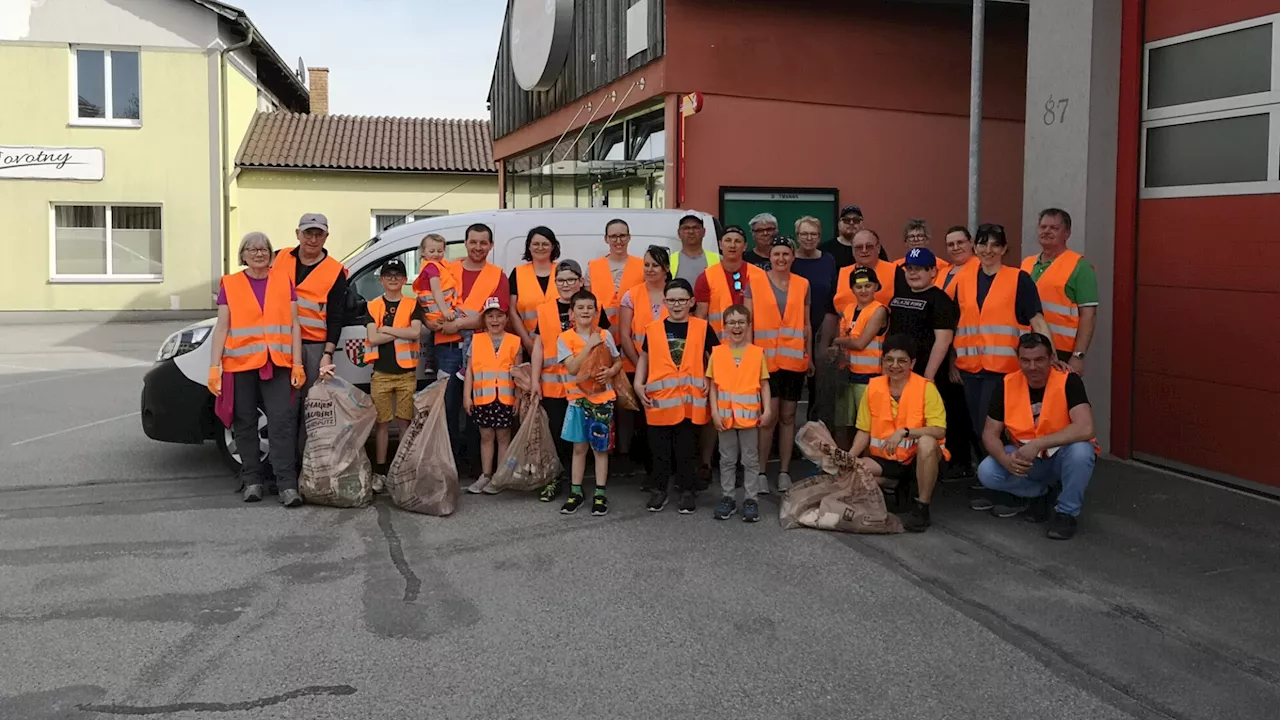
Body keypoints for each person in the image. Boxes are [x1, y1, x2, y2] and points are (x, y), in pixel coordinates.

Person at [207, 232, 305, 507]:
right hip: (240, 365)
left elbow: (294, 324)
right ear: (243, 254)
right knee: (244, 422)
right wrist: (214, 368)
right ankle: (252, 480)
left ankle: (287, 484)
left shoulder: (283, 281)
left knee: (281, 423)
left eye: (263, 249)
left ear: (271, 253)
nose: (258, 253)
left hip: (278, 362)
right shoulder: (231, 283)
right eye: (252, 249)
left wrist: (297, 362)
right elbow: (222, 327)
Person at [952, 223, 1061, 459]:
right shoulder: (963, 279)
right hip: (971, 369)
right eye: (983, 243)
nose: (988, 249)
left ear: (1004, 249)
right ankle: (993, 473)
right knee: (977, 426)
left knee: (994, 428)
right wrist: (953, 360)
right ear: (975, 246)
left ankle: (1003, 473)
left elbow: (1037, 319)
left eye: (995, 244)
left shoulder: (1018, 279)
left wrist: (1051, 355)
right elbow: (956, 322)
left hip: (1004, 370)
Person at [977, 332, 1098, 540]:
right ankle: (1039, 494)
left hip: (1061, 456)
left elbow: (1086, 428)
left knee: (1082, 451)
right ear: (1019, 360)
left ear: (1052, 358)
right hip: (1027, 460)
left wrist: (1037, 444)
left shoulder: (1068, 381)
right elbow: (990, 434)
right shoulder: (1006, 384)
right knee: (987, 471)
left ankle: (1066, 513)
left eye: (1039, 360)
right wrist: (1006, 461)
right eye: (1025, 360)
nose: (1032, 367)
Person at [428, 223, 509, 475]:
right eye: (473, 242)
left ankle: (475, 463)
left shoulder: (498, 275)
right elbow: (428, 302)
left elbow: (496, 315)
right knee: (449, 407)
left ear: (491, 245)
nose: (478, 247)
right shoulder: (447, 269)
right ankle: (452, 463)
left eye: (483, 243)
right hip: (448, 349)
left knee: (479, 407)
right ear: (465, 243)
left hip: (483, 350)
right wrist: (435, 321)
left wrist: (459, 323)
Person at [634, 278, 716, 514]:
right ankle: (659, 490)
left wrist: (710, 381)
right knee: (659, 450)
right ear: (664, 302)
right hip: (660, 401)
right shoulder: (654, 328)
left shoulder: (702, 327)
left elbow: (714, 358)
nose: (677, 304)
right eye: (672, 300)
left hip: (690, 401)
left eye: (681, 300)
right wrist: (638, 384)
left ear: (691, 301)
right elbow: (645, 358)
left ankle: (688, 490)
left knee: (686, 449)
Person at [851, 334, 948, 532]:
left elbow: (939, 430)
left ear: (912, 363)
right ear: (882, 361)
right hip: (886, 460)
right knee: (853, 475)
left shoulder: (926, 388)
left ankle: (922, 508)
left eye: (902, 360)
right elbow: (864, 431)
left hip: (918, 459)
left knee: (927, 442)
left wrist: (905, 433)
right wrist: (848, 458)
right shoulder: (873, 388)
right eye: (889, 360)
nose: (895, 366)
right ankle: (894, 486)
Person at [886, 247, 970, 477]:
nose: (913, 273)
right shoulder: (899, 297)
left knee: (925, 426)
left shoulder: (940, 300)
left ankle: (931, 471)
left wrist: (928, 378)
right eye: (909, 269)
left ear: (933, 271)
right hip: (898, 373)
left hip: (926, 376)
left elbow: (943, 341)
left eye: (920, 269)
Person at [530, 260, 608, 502]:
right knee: (557, 435)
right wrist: (534, 381)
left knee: (584, 438)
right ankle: (555, 479)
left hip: (586, 387)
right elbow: (538, 347)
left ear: (580, 281)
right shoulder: (544, 309)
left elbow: (605, 343)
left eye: (571, 279)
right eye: (561, 280)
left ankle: (583, 482)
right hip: (554, 384)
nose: (566, 284)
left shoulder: (593, 307)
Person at [694, 225, 767, 483]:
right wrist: (702, 355)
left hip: (750, 354)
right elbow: (701, 318)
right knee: (714, 410)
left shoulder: (759, 275)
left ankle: (743, 467)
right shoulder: (707, 276)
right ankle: (705, 463)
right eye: (728, 240)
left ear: (745, 246)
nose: (733, 245)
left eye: (738, 240)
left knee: (747, 410)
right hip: (718, 353)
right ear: (720, 245)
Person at [270, 213, 347, 454]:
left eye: (318, 234)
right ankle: (281, 468)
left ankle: (306, 466)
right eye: (308, 233)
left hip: (313, 347)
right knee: (281, 407)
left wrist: (328, 353)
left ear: (326, 237)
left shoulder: (335, 271)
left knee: (310, 409)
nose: (312, 239)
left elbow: (336, 316)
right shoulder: (279, 258)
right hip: (279, 343)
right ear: (297, 234)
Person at [557, 289, 622, 516]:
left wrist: (610, 372)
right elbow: (573, 368)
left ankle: (600, 493)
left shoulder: (606, 335)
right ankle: (576, 492)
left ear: (596, 311)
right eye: (580, 308)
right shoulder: (564, 339)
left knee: (600, 449)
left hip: (602, 401)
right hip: (578, 401)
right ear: (572, 313)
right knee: (579, 448)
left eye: (590, 308)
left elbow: (617, 360)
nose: (585, 311)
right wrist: (589, 345)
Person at [754, 236, 811, 493]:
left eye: (786, 254)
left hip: (793, 360)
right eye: (776, 254)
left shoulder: (803, 284)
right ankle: (761, 472)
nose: (781, 259)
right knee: (768, 417)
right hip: (765, 361)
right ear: (770, 256)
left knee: (788, 417)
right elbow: (748, 322)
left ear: (793, 257)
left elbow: (807, 323)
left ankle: (785, 471)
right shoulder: (754, 283)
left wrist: (808, 354)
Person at [363, 259, 425, 493]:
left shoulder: (412, 304)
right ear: (381, 280)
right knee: (381, 423)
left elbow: (415, 332)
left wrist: (386, 329)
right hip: (381, 373)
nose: (392, 279)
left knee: (404, 423)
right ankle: (380, 471)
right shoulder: (372, 305)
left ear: (404, 279)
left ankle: (404, 469)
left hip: (406, 374)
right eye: (388, 275)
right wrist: (402, 333)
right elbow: (374, 339)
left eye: (397, 275)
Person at [707, 304, 773, 523]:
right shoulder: (717, 353)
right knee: (726, 460)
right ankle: (728, 497)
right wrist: (714, 412)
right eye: (732, 323)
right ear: (724, 326)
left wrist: (768, 409)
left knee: (750, 459)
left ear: (748, 325)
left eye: (741, 322)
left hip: (749, 417)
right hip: (725, 417)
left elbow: (764, 384)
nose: (737, 327)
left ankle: (750, 499)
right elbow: (713, 387)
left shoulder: (756, 353)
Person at [588, 219, 645, 456]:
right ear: (606, 239)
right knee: (604, 401)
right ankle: (606, 453)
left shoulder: (642, 266)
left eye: (623, 236)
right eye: (613, 236)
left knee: (630, 402)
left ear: (629, 238)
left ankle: (628, 453)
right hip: (603, 346)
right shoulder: (593, 267)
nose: (618, 240)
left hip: (633, 345)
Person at [1022, 208, 1100, 375]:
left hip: (1061, 353)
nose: (1047, 231)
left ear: (1067, 233)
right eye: (1043, 227)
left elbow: (1089, 316)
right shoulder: (1026, 264)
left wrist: (1078, 356)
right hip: (1027, 350)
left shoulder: (1080, 267)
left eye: (1054, 228)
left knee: (1058, 399)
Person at [618, 245, 671, 479]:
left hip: (669, 371)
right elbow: (625, 335)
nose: (649, 270)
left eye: (655, 265)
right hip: (634, 365)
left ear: (666, 269)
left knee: (663, 419)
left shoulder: (675, 294)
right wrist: (642, 365)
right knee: (634, 416)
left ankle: (663, 467)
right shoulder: (631, 295)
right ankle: (632, 461)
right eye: (646, 265)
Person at [463, 297, 522, 495]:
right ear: (484, 320)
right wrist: (467, 396)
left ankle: (500, 476)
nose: (495, 320)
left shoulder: (515, 341)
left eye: (499, 316)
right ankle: (486, 475)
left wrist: (519, 398)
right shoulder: (476, 340)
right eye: (490, 316)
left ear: (506, 319)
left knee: (503, 436)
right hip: (482, 398)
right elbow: (469, 370)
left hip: (505, 398)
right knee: (486, 436)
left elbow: (520, 372)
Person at [829, 267, 887, 449]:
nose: (863, 291)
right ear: (852, 289)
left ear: (876, 286)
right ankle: (842, 464)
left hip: (869, 378)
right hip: (845, 376)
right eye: (858, 286)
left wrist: (836, 341)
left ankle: (864, 468)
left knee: (865, 427)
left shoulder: (879, 310)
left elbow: (860, 343)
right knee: (843, 424)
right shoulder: (848, 309)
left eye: (868, 286)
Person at [792, 216, 840, 404]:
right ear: (797, 236)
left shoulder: (828, 260)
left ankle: (815, 428)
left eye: (813, 234)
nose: (809, 238)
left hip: (823, 329)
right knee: (793, 389)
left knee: (819, 386)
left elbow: (834, 294)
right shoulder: (789, 260)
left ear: (820, 237)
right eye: (804, 234)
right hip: (794, 329)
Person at [508, 226, 559, 353]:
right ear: (529, 246)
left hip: (562, 344)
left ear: (552, 247)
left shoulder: (563, 271)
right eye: (535, 244)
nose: (540, 248)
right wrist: (526, 341)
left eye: (545, 244)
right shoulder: (518, 273)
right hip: (528, 345)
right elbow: (512, 311)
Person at [833, 229, 904, 313]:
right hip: (847, 325)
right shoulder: (842, 273)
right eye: (859, 247)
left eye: (869, 246)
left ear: (878, 248)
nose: (864, 250)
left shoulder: (895, 271)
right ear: (852, 250)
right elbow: (830, 312)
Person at [893, 219, 952, 287]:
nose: (916, 239)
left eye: (920, 236)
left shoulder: (942, 265)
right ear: (906, 241)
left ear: (927, 239)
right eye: (911, 237)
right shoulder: (896, 266)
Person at [671, 214, 720, 286]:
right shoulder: (669, 261)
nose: (691, 232)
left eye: (695, 228)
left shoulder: (718, 260)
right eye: (686, 228)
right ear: (679, 233)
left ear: (703, 232)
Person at [941, 225, 979, 292]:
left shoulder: (982, 268)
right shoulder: (942, 272)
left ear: (971, 242)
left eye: (960, 242)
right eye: (951, 244)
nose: (956, 248)